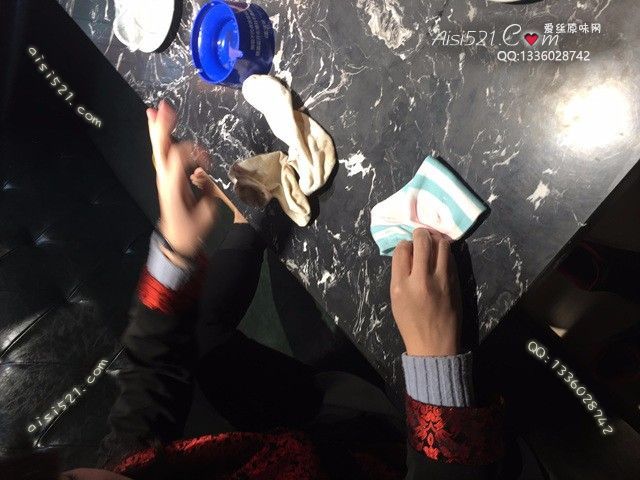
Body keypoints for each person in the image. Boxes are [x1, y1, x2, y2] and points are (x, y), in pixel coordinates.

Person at [48, 100, 503, 479]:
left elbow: (148, 376)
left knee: (198, 339)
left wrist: (177, 249)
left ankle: (247, 227)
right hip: (376, 461)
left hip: (301, 430)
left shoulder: (126, 469)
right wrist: (435, 365)